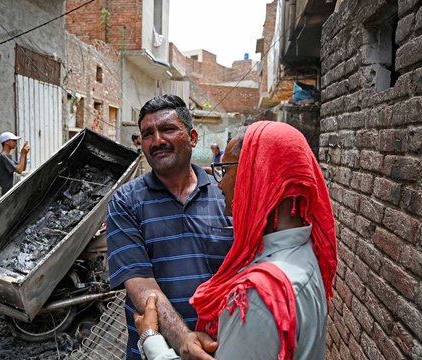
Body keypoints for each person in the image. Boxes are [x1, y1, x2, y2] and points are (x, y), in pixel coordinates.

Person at [134, 121, 338, 359]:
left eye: (226, 170)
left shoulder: (258, 296)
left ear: (257, 174)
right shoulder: (304, 252)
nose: (220, 184)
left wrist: (151, 340)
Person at [106, 94, 233, 360]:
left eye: (168, 129)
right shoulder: (126, 201)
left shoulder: (226, 196)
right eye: (148, 134)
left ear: (193, 138)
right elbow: (141, 286)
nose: (157, 141)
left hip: (221, 349)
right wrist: (184, 339)